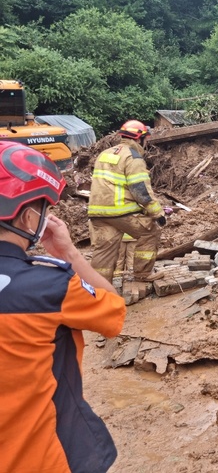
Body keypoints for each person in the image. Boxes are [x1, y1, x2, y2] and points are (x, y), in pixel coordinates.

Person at [0, 141, 126, 473]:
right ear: (29, 216)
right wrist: (68, 253)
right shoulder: (49, 287)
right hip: (42, 457)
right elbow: (114, 312)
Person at [88, 120, 166, 293]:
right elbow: (141, 191)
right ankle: (142, 273)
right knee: (150, 232)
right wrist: (157, 213)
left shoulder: (105, 153)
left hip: (97, 211)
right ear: (140, 139)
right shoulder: (132, 157)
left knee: (105, 249)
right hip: (120, 211)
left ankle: (98, 288)